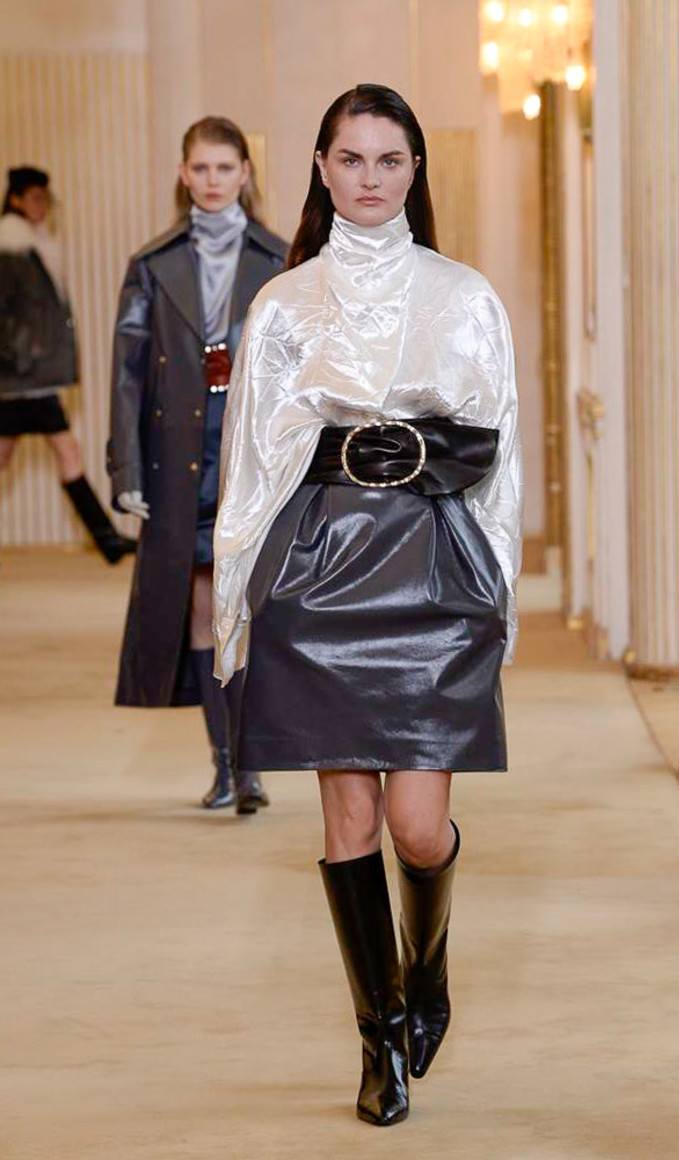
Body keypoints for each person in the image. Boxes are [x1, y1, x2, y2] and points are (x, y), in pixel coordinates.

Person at [213, 85, 523, 1124]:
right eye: (351, 158)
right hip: (320, 572)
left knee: (418, 826)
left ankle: (425, 965)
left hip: (433, 568)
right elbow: (251, 461)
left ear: (415, 169)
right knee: (349, 816)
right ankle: (378, 1033)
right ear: (320, 166)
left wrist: (500, 593)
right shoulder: (283, 303)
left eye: (391, 159)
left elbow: (498, 454)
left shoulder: (465, 297)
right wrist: (238, 599)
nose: (371, 178)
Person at [107, 117, 287, 813]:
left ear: (245, 173)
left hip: (254, 449)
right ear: (184, 175)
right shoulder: (153, 263)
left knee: (252, 609)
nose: (213, 181)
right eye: (201, 168)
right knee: (205, 608)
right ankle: (230, 766)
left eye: (225, 167)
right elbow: (128, 374)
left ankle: (253, 759)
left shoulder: (280, 260)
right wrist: (127, 468)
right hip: (181, 452)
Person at [0, 166, 135, 563]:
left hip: (27, 378)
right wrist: (21, 354)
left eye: (45, 198)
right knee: (64, 450)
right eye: (34, 198)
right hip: (21, 378)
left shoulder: (32, 244)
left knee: (51, 452)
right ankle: (107, 538)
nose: (42, 206)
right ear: (16, 200)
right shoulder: (11, 246)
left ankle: (107, 538)